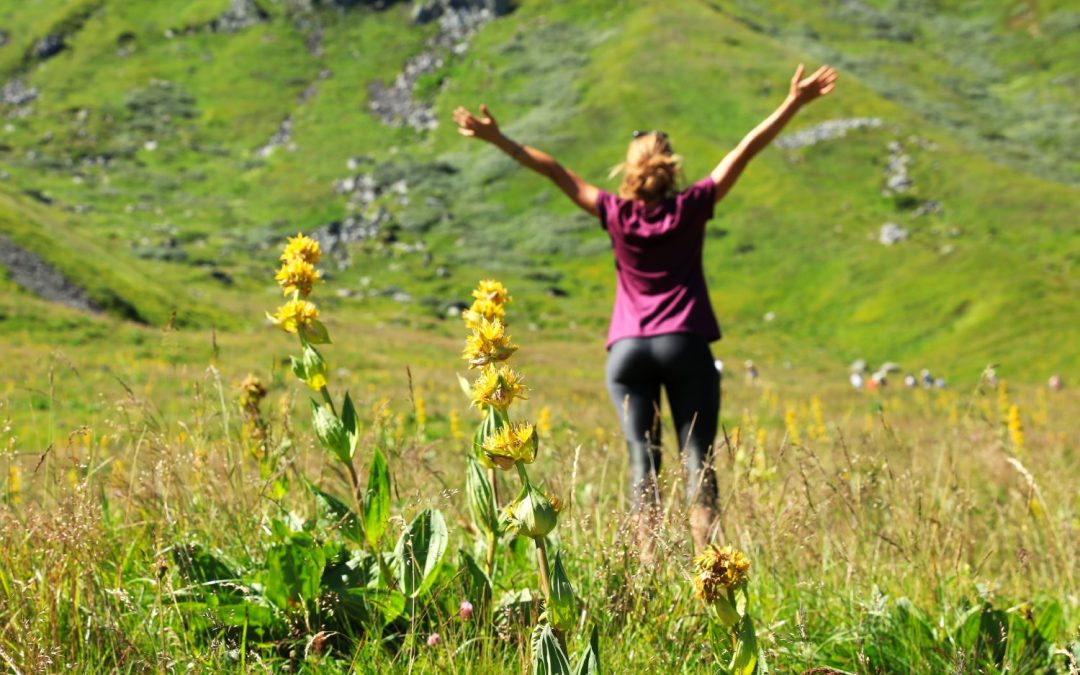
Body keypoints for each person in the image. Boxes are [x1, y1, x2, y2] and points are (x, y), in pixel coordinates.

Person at [453, 64, 839, 552]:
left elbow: (554, 171)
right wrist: (793, 104)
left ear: (630, 170)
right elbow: (745, 150)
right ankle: (709, 565)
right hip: (685, 343)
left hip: (628, 349)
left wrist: (498, 138)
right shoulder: (693, 205)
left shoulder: (615, 212)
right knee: (697, 459)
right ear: (671, 167)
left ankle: (644, 565)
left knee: (643, 463)